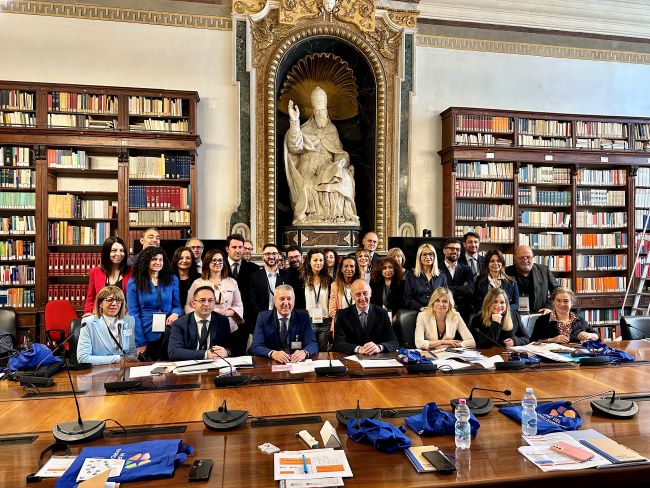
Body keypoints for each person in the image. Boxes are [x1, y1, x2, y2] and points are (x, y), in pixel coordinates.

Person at [284, 86, 359, 224]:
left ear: (327, 111)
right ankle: (314, 215)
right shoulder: (305, 129)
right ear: (313, 111)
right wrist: (294, 121)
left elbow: (339, 152)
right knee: (307, 185)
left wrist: (341, 162)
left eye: (323, 110)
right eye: (318, 111)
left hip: (328, 169)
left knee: (344, 177)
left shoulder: (332, 129)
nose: (320, 114)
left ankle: (337, 216)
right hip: (308, 169)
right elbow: (294, 146)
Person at [126, 246, 181, 360]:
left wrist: (175, 313)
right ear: (146, 261)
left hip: (168, 327)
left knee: (168, 362)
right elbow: (133, 314)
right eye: (154, 259)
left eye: (161, 260)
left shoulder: (172, 279)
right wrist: (140, 341)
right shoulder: (134, 282)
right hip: (145, 329)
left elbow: (177, 305)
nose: (158, 262)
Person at [249, 284, 318, 363]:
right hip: (271, 363)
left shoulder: (303, 317)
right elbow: (255, 346)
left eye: (289, 299)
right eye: (281, 299)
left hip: (295, 363)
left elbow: (313, 344)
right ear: (274, 302)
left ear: (294, 301)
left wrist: (304, 352)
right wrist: (273, 353)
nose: (286, 303)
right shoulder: (263, 317)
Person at [332, 279, 399, 355]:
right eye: (358, 294)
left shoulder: (382, 313)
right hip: (352, 358)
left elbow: (394, 342)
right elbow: (338, 344)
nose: (362, 298)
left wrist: (379, 347)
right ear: (352, 296)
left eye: (365, 293)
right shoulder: (342, 315)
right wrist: (358, 349)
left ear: (370, 293)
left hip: (376, 357)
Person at [185, 249, 244, 334]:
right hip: (204, 327)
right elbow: (189, 306)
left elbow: (238, 305)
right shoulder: (197, 283)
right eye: (214, 260)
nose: (217, 263)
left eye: (220, 260)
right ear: (207, 263)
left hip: (228, 327)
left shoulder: (232, 282)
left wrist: (228, 312)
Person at [168, 285, 232, 361]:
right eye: (202, 300)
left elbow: (232, 347)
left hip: (215, 364)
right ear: (193, 303)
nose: (206, 304)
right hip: (190, 364)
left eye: (210, 300)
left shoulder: (222, 321)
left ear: (214, 302)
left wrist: (226, 352)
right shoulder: (180, 323)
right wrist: (206, 354)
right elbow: (174, 352)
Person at [77, 286, 136, 365]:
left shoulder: (129, 320)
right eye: (110, 300)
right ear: (100, 303)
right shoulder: (88, 323)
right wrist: (118, 359)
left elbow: (131, 352)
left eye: (118, 300)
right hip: (100, 370)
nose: (114, 304)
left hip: (124, 369)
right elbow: (83, 358)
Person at [224, 233, 259, 354]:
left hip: (244, 320)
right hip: (223, 319)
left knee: (240, 356)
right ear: (227, 249)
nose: (238, 250)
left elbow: (253, 297)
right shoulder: (219, 265)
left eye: (240, 247)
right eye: (234, 247)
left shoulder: (253, 268)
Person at [531, 287, 599, 343]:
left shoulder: (579, 320)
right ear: (553, 302)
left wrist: (590, 335)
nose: (562, 304)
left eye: (566, 301)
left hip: (576, 353)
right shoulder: (542, 320)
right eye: (558, 300)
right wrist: (551, 340)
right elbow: (533, 341)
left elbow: (597, 336)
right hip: (552, 354)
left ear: (571, 303)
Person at [84, 236, 132, 316]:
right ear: (106, 253)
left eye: (121, 250)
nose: (118, 254)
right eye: (114, 250)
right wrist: (88, 312)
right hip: (100, 317)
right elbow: (90, 298)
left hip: (124, 317)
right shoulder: (95, 272)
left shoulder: (132, 271)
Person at [505, 245, 560, 314]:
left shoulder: (544, 270)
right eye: (521, 258)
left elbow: (558, 291)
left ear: (533, 257)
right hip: (513, 314)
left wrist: (549, 307)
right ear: (515, 258)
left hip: (540, 313)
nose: (525, 260)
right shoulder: (506, 272)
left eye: (528, 257)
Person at [249, 243, 290, 327]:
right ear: (262, 256)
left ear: (278, 255)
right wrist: (263, 317)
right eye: (267, 254)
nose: (271, 256)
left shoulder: (287, 276)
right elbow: (252, 302)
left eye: (274, 253)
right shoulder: (254, 277)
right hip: (261, 320)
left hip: (282, 320)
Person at [301, 249, 331, 351]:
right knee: (310, 350)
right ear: (309, 261)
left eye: (321, 260)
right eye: (315, 260)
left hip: (325, 320)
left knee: (322, 351)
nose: (318, 263)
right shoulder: (302, 279)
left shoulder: (328, 279)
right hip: (308, 320)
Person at [438, 238, 474, 322]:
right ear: (444, 250)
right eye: (451, 248)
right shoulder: (436, 269)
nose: (455, 251)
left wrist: (446, 288)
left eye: (457, 249)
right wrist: (462, 288)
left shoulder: (466, 269)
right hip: (442, 309)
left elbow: (470, 290)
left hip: (463, 311)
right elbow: (436, 290)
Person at [404, 243, 448, 311]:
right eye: (424, 254)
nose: (428, 257)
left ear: (434, 256)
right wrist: (420, 308)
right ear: (419, 257)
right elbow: (408, 298)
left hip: (437, 311)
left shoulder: (441, 276)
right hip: (418, 311)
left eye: (431, 254)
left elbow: (446, 296)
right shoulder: (410, 275)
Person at [473, 249, 519, 313]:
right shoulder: (479, 281)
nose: (495, 263)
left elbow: (516, 304)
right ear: (487, 264)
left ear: (502, 263)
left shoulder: (511, 281)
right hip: (486, 315)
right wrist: (489, 311)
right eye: (492, 261)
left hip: (506, 315)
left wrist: (502, 311)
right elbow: (475, 303)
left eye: (498, 261)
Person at [328, 255, 360, 324]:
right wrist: (344, 320)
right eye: (346, 266)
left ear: (355, 269)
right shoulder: (335, 286)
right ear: (341, 269)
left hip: (357, 323)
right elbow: (332, 310)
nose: (349, 269)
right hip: (340, 324)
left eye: (351, 266)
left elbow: (364, 307)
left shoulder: (361, 285)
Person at [170, 246, 200, 310]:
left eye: (188, 258)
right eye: (181, 258)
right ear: (175, 260)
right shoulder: (168, 278)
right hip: (172, 313)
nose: (184, 261)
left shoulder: (199, 278)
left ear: (192, 260)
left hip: (193, 312)